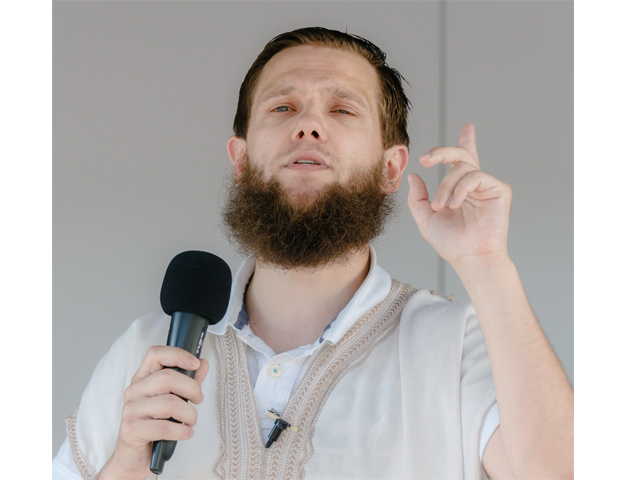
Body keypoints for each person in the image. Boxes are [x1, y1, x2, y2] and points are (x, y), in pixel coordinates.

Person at [52, 27, 573, 479]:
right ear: (241, 159)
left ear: (392, 169)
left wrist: (487, 265)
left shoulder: (454, 344)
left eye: (342, 108)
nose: (308, 125)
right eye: (283, 107)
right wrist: (122, 468)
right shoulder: (149, 350)